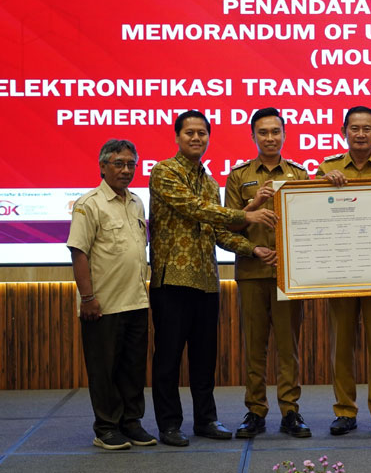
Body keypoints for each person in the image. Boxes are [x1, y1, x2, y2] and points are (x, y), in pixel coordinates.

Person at [149, 110, 278, 446]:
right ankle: (169, 424)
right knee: (168, 358)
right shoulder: (164, 172)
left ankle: (206, 419)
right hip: (173, 281)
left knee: (205, 358)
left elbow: (219, 232)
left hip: (207, 281)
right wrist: (246, 212)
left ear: (208, 137)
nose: (196, 138)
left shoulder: (209, 181)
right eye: (189, 132)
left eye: (201, 133)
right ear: (177, 136)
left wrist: (253, 250)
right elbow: (194, 209)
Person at [316, 105, 371, 437]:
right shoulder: (327, 168)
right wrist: (324, 186)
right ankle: (345, 411)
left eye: (367, 128)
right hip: (340, 270)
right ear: (344, 132)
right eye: (354, 128)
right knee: (342, 343)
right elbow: (313, 216)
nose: (361, 134)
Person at [224, 108, 311, 439]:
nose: (270, 138)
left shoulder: (299, 175)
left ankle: (290, 411)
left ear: (285, 135)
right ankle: (255, 411)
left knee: (288, 348)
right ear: (253, 137)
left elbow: (312, 223)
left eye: (276, 131)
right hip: (251, 274)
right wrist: (252, 205)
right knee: (254, 347)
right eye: (263, 132)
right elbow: (227, 225)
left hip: (289, 276)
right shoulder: (238, 176)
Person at [67, 139, 156, 450]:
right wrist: (88, 298)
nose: (126, 170)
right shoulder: (89, 204)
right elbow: (79, 253)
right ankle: (105, 428)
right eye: (119, 163)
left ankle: (131, 423)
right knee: (104, 370)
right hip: (103, 305)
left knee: (132, 369)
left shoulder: (137, 202)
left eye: (131, 163)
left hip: (136, 300)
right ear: (103, 167)